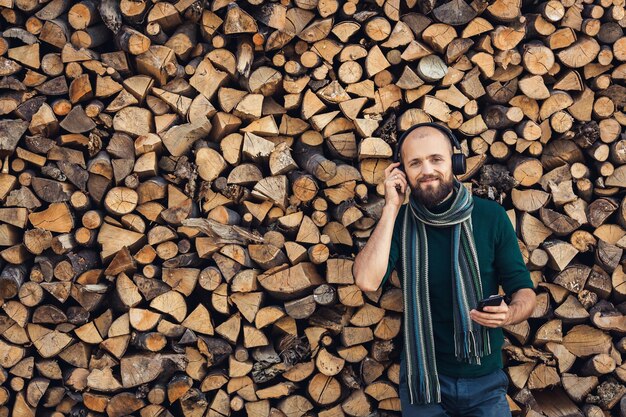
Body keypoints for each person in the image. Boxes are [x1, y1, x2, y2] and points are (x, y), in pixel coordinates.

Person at [353, 123, 536, 417]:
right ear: (402, 172)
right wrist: (390, 207)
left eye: (436, 159)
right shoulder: (398, 224)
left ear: (456, 162)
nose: (427, 170)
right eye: (415, 163)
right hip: (423, 382)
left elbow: (523, 289)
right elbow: (366, 280)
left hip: (485, 381)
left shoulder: (491, 217)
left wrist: (511, 313)